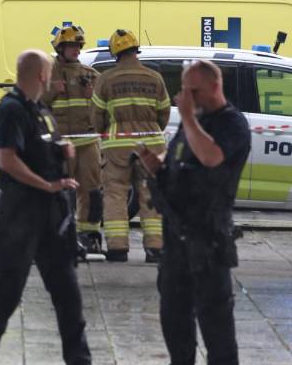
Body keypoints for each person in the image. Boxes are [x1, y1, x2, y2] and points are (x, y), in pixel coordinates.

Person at [0, 50, 90, 365]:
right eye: (49, 73)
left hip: (52, 217)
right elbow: (7, 160)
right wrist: (47, 185)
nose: (52, 79)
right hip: (22, 212)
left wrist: (65, 152)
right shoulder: (11, 109)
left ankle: (79, 359)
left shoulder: (41, 111)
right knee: (6, 294)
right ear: (41, 75)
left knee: (68, 294)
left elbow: (48, 150)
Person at [136, 59, 250, 365]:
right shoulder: (192, 123)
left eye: (193, 90)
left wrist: (186, 116)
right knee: (174, 322)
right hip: (176, 240)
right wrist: (157, 164)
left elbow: (212, 157)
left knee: (217, 332)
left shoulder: (231, 123)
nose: (186, 97)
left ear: (215, 86)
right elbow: (177, 158)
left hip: (208, 241)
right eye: (183, 91)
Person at [91, 28, 170, 262]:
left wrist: (105, 132)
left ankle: (117, 248)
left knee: (115, 194)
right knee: (151, 193)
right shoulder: (155, 78)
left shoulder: (106, 79)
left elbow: (97, 116)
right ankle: (155, 248)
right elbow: (163, 113)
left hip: (117, 144)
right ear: (136, 50)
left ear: (115, 52)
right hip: (151, 143)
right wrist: (152, 129)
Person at [43, 24, 104, 254]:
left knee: (91, 190)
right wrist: (51, 90)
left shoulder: (90, 75)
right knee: (59, 190)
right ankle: (58, 233)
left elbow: (104, 107)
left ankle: (88, 235)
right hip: (60, 144)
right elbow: (36, 103)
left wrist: (94, 95)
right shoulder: (48, 73)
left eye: (78, 46)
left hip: (87, 142)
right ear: (60, 48)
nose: (76, 50)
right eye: (71, 46)